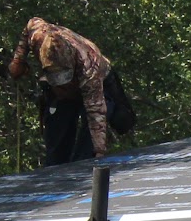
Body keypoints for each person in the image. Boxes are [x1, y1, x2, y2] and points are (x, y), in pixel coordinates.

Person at [7, 17, 133, 166]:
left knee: (95, 137)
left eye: (63, 79)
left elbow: (96, 112)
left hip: (98, 84)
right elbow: (30, 24)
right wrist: (18, 61)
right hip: (65, 84)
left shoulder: (89, 68)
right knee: (57, 132)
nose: (62, 85)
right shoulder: (37, 34)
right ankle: (56, 169)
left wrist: (99, 150)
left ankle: (84, 165)